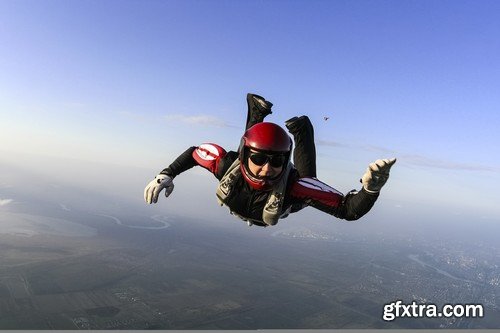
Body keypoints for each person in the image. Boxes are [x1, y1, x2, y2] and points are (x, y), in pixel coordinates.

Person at [144, 93, 396, 227]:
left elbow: (347, 210)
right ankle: (256, 110)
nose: (267, 168)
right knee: (253, 142)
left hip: (287, 201)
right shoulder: (226, 164)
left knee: (309, 179)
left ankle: (302, 130)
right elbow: (194, 152)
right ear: (245, 155)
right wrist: (166, 174)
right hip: (245, 175)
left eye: (277, 161)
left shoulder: (295, 187)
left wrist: (370, 189)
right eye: (260, 159)